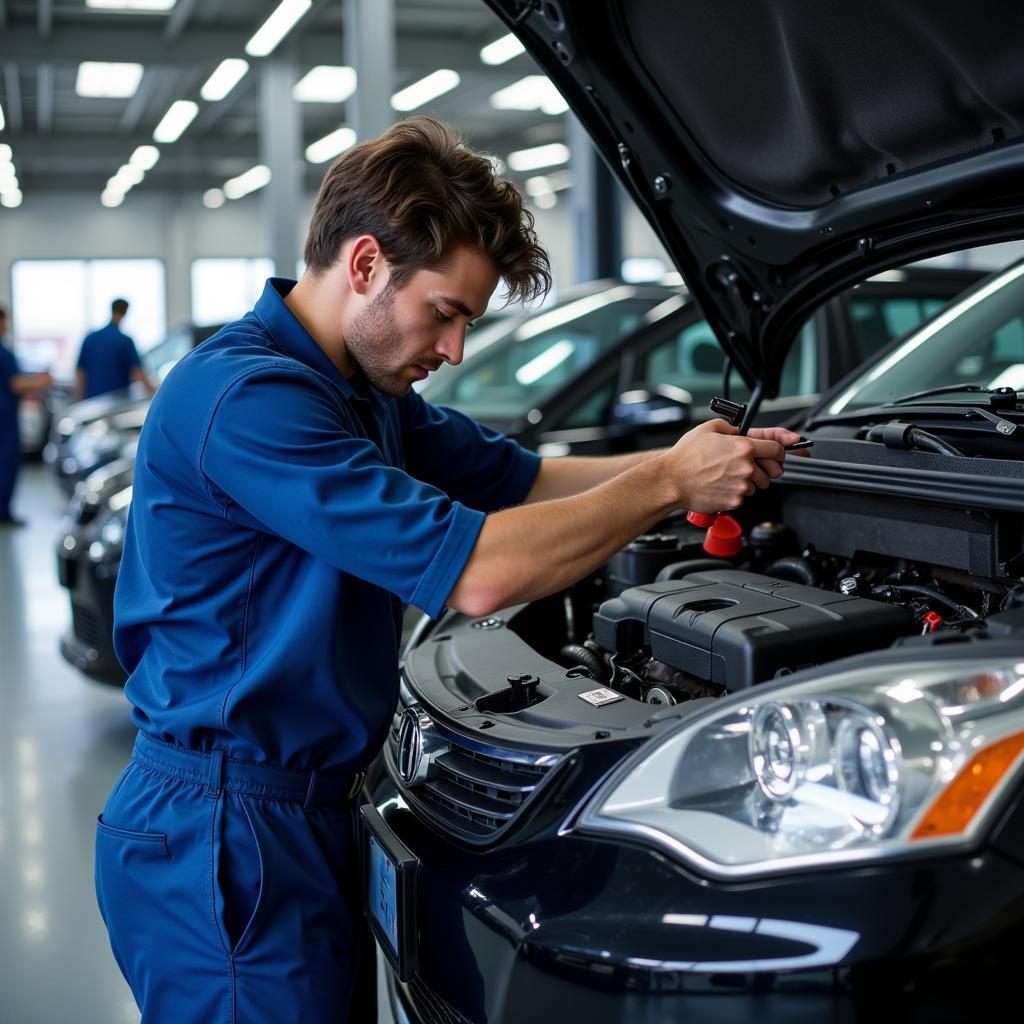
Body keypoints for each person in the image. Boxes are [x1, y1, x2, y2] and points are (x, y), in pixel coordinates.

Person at [95, 116, 805, 1023]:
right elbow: (476, 573)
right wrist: (669, 482)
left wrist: (686, 461)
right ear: (364, 265)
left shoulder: (357, 387)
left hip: (308, 816)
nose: (456, 349)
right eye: (447, 312)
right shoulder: (248, 400)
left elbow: (526, 480)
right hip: (228, 833)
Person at [0, 308, 51, 526]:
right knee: (6, 464)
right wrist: (41, 381)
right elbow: (16, 383)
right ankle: (3, 513)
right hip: (4, 419)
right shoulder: (4, 353)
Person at [74, 297, 155, 401]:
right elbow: (137, 372)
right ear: (125, 313)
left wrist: (79, 399)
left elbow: (80, 371)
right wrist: (154, 394)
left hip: (92, 401)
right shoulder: (124, 341)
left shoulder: (91, 338)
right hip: (115, 403)